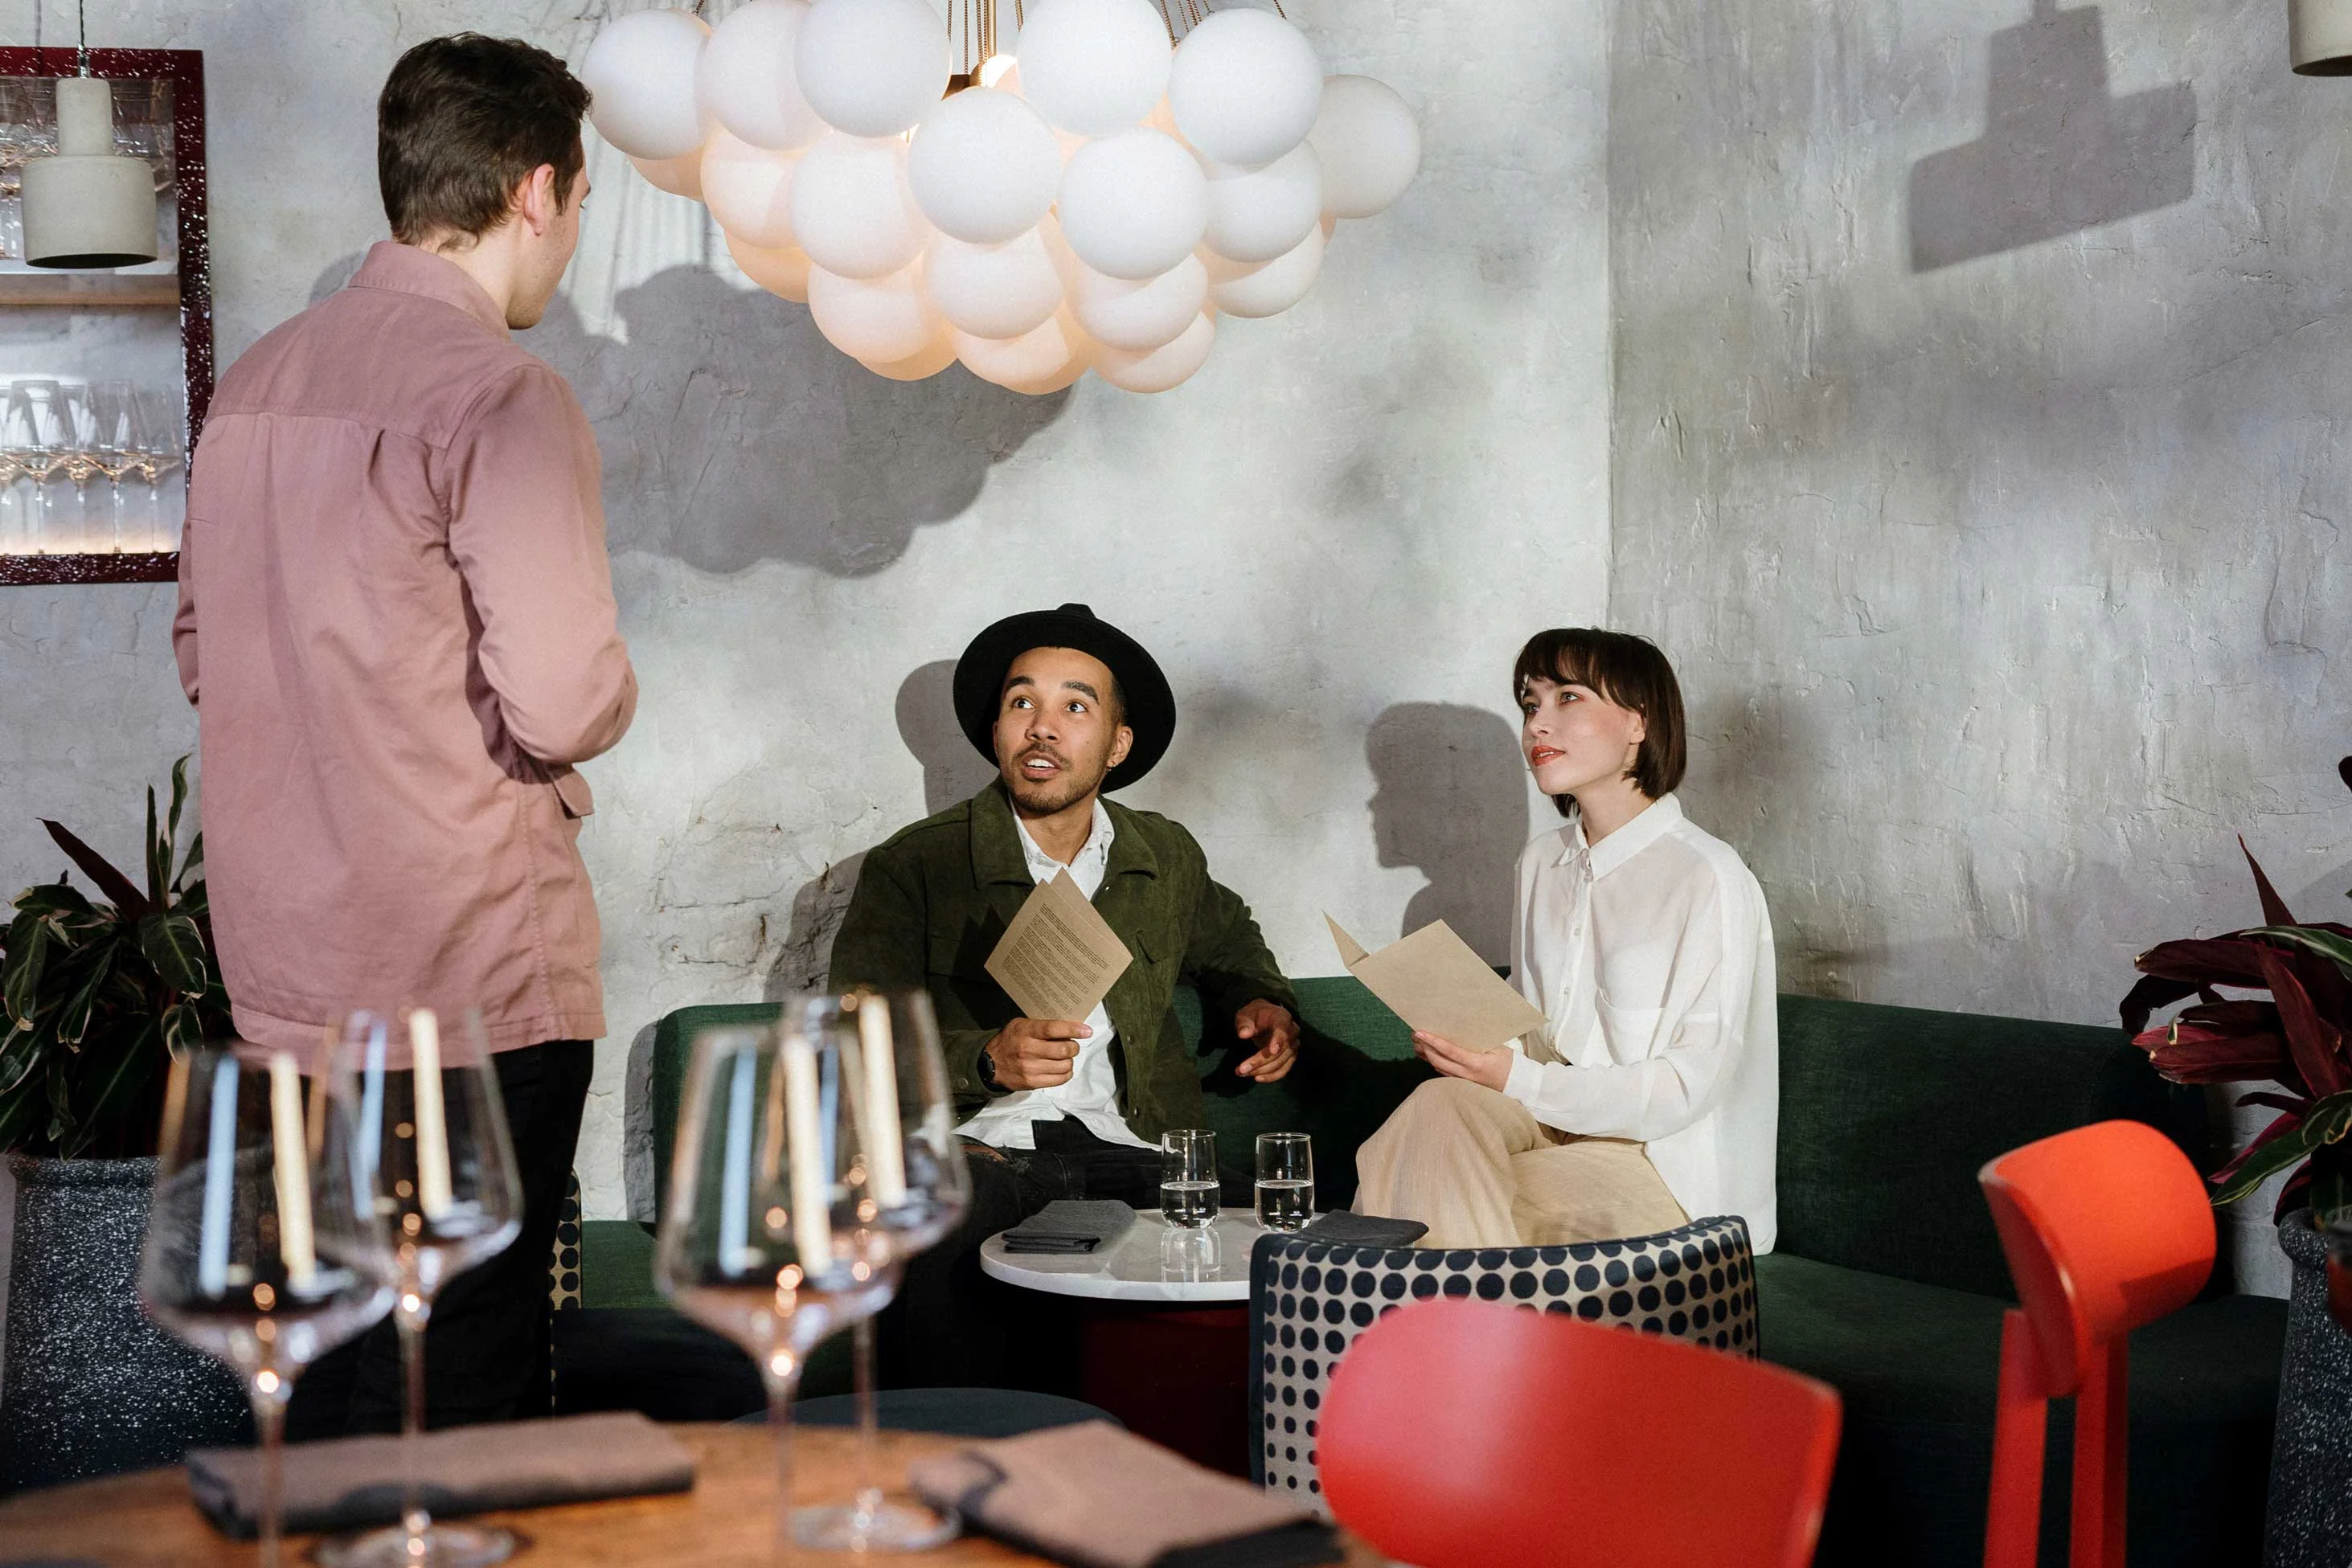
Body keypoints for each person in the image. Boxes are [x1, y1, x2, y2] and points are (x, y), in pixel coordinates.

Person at [172, 34, 634, 1433]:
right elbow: (563, 698)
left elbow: (202, 653)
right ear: (538, 190)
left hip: (289, 975)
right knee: (459, 1377)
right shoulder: (498, 392)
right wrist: (594, 703)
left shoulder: (252, 388)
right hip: (464, 970)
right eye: (582, 200)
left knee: (319, 1367)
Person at [829, 604, 1302, 1386]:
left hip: (1140, 1155)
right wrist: (983, 1057)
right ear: (996, 732)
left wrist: (1261, 1003)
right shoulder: (916, 866)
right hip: (984, 1154)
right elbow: (852, 1042)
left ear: (1117, 744)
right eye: (1022, 703)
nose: (1041, 727)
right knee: (947, 1227)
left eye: (1073, 706)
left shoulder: (1164, 855)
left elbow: (1230, 940)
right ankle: (956, 1467)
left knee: (1294, 1244)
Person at [1353, 629, 1777, 1252]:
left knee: (1439, 1187)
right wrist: (1470, 1042)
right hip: (1549, 1122)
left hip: (1665, 1165)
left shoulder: (1707, 876)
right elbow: (1533, 1029)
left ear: (1639, 722)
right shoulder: (1540, 863)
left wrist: (1517, 1079)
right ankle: (1464, 1340)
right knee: (1434, 1110)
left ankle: (1403, 1333)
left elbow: (1686, 1088)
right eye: (1531, 705)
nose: (1538, 726)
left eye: (1568, 699)